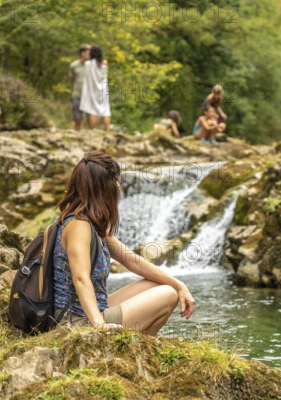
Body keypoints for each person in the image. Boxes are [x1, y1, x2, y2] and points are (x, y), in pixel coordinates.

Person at [52, 151, 196, 334]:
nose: (119, 186)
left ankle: (135, 347)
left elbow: (132, 261)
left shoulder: (93, 225)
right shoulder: (79, 226)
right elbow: (80, 279)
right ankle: (127, 347)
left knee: (162, 285)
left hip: (92, 310)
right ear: (104, 187)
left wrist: (180, 285)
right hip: (75, 321)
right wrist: (98, 324)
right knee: (167, 294)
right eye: (117, 181)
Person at [80, 46, 111, 131]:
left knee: (92, 110)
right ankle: (107, 130)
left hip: (93, 90)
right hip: (103, 90)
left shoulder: (88, 64)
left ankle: (93, 131)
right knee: (106, 111)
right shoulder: (104, 63)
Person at [69, 44, 91, 131]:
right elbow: (72, 78)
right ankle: (76, 133)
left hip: (89, 95)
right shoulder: (74, 65)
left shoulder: (92, 65)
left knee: (90, 117)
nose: (90, 55)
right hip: (77, 93)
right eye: (89, 53)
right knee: (77, 117)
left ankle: (93, 135)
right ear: (82, 53)